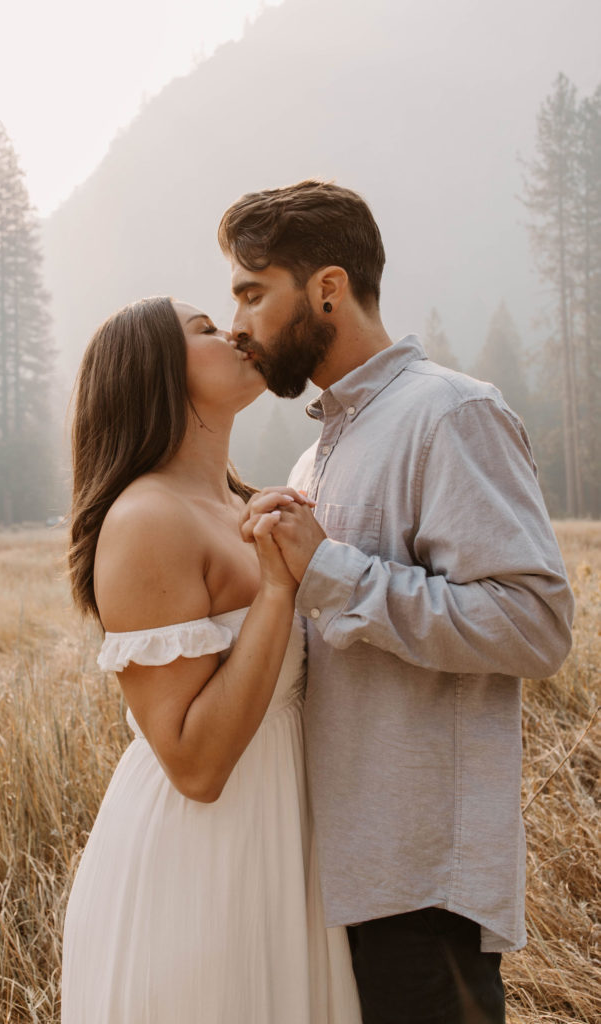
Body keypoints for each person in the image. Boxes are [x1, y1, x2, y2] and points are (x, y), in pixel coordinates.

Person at [218, 180, 575, 1024]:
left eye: (251, 292)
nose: (236, 323)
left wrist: (330, 572)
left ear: (327, 289)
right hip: (334, 880)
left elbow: (535, 626)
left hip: (420, 887)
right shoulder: (315, 457)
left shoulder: (449, 414)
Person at [61, 296, 362, 1023]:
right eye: (203, 331)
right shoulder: (145, 519)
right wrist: (276, 591)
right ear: (155, 373)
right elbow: (195, 766)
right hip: (203, 869)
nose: (233, 333)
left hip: (284, 847)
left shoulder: (242, 501)